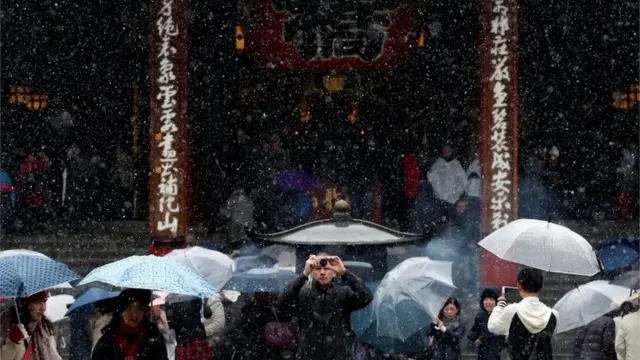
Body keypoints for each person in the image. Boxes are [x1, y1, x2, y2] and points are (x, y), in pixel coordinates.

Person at [277, 253, 374, 360]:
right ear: (312, 272)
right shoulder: (303, 293)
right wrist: (304, 274)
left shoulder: (343, 293)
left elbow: (366, 297)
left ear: (334, 272)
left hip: (338, 355)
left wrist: (344, 273)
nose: (322, 272)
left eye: (326, 268)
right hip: (308, 354)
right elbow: (282, 304)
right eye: (318, 269)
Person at [487, 269, 558, 360]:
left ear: (518, 285)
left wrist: (500, 305)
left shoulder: (512, 310)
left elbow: (492, 326)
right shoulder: (554, 315)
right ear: (541, 287)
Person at [91, 289, 167, 360]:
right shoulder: (108, 340)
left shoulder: (153, 336)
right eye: (129, 307)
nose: (134, 314)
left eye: (139, 308)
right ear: (121, 310)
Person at [0, 290, 62, 360]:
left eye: (44, 302)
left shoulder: (44, 328)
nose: (43, 308)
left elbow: (53, 356)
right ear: (25, 305)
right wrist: (12, 341)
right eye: (37, 302)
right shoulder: (5, 326)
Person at [468, 287, 506, 360]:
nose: (488, 302)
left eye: (491, 299)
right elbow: (473, 330)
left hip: (498, 352)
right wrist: (475, 338)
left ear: (497, 301)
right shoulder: (480, 315)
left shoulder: (502, 315)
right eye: (485, 299)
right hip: (483, 352)